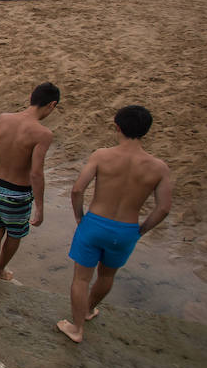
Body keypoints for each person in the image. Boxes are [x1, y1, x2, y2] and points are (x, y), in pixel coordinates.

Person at [56, 105, 173, 343]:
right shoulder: (159, 168)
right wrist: (141, 230)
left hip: (95, 223)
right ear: (145, 131)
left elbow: (78, 189)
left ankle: (76, 327)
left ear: (117, 127)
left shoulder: (102, 155)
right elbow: (163, 208)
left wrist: (80, 217)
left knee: (81, 278)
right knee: (107, 275)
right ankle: (88, 310)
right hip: (126, 229)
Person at [0, 82, 60, 292]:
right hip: (17, 193)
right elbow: (36, 173)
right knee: (14, 235)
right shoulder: (43, 134)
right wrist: (40, 207)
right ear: (52, 105)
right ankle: (0, 270)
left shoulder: (4, 119)